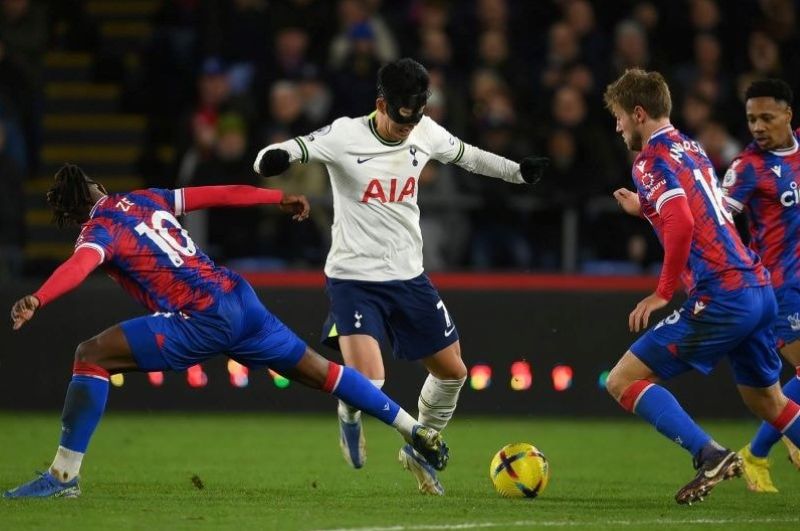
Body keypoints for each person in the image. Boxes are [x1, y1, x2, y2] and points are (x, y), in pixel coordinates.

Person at [3, 163, 448, 499]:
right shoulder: (147, 199)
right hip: (240, 299)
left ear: (73, 215)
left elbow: (79, 266)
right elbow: (221, 193)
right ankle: (413, 429)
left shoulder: (98, 230)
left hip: (200, 317)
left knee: (91, 355)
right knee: (324, 373)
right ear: (99, 187)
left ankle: (63, 476)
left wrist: (38, 298)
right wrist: (276, 197)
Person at [253, 57, 548, 495]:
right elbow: (279, 153)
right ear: (381, 104)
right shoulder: (344, 134)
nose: (406, 130)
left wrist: (517, 173)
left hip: (409, 277)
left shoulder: (423, 130)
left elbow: (469, 156)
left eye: (414, 121)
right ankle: (350, 411)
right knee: (371, 382)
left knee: (453, 373)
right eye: (399, 120)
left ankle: (416, 452)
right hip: (353, 278)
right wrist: (273, 160)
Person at [603, 68, 800, 505]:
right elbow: (697, 207)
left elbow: (682, 222)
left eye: (619, 117)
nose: (618, 127)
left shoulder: (648, 160)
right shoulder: (690, 146)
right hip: (758, 287)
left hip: (722, 294)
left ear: (638, 113)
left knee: (621, 381)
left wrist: (663, 290)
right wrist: (646, 208)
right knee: (769, 403)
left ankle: (708, 454)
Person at [720, 78, 800, 492]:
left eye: (767, 117)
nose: (757, 127)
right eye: (752, 119)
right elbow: (715, 221)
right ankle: (758, 451)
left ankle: (759, 451)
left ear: (788, 114)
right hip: (779, 287)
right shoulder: (748, 167)